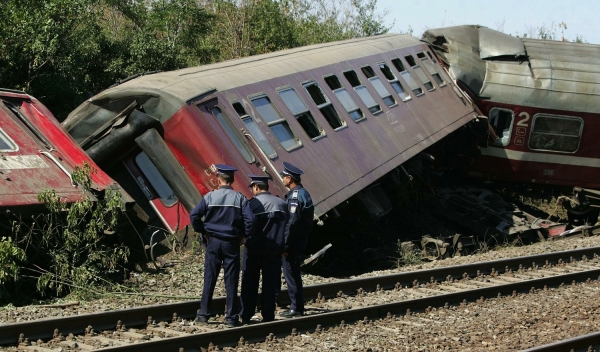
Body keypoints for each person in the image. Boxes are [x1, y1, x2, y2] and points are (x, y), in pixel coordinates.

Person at [189, 164, 255, 328]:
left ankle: (204, 314)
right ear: (232, 180)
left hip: (213, 242)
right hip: (231, 243)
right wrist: (244, 236)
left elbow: (194, 215)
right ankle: (231, 318)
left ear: (218, 180)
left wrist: (203, 230)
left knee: (209, 278)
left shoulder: (209, 197)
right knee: (231, 280)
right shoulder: (240, 198)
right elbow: (251, 221)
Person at [240, 175, 288, 324]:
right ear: (266, 187)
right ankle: (268, 315)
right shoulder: (281, 203)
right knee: (271, 283)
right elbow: (287, 228)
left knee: (250, 282)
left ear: (255, 187)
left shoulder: (252, 205)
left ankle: (246, 314)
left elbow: (245, 225)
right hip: (274, 250)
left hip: (254, 250)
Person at [278, 161, 314, 318]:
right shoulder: (303, 193)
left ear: (290, 178)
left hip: (293, 242)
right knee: (293, 273)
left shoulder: (295, 197)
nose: (283, 179)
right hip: (299, 239)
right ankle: (296, 305)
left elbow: (292, 223)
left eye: (284, 177)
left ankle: (296, 307)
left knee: (291, 273)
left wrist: (285, 245)